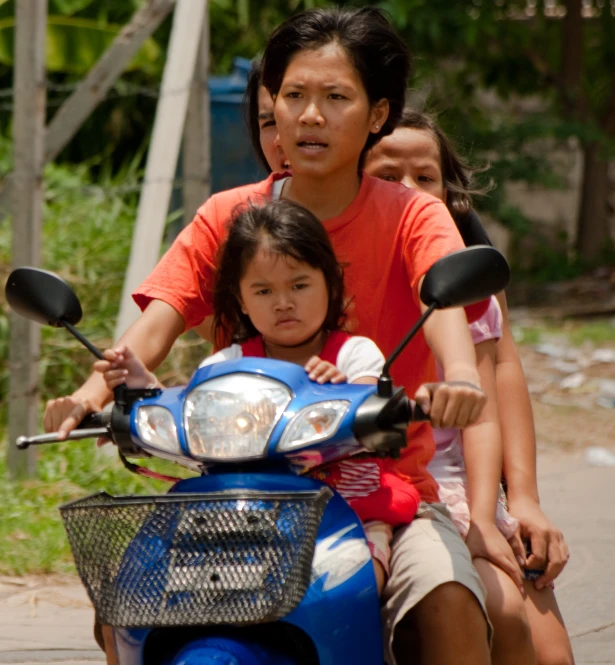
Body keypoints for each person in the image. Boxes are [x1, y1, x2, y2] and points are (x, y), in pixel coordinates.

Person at [45, 8, 495, 664]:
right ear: (272, 106)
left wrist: (457, 377)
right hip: (241, 483)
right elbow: (157, 321)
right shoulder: (229, 216)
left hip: (378, 483)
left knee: (445, 596)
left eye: (335, 97)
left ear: (377, 115)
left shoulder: (413, 215)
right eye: (293, 96)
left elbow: (447, 307)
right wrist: (92, 389)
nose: (310, 115)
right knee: (125, 597)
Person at [94, 199, 421, 594]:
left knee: (360, 581)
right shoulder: (226, 364)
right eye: (263, 290)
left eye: (299, 285)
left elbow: (372, 399)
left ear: (330, 282)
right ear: (241, 299)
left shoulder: (355, 353)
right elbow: (197, 414)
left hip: (347, 511)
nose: (283, 302)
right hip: (238, 514)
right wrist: (146, 393)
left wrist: (346, 391)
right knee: (133, 590)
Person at [364, 108, 575, 665]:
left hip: (458, 487)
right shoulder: (320, 271)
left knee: (539, 641)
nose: (408, 192)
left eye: (424, 178)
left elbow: (496, 384)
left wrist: (517, 501)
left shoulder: (465, 278)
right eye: (388, 178)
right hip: (368, 481)